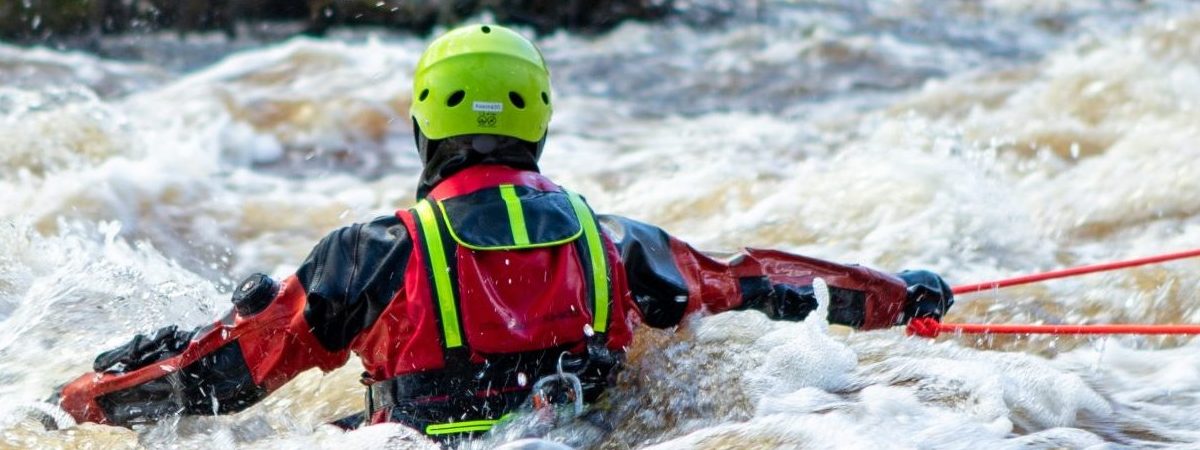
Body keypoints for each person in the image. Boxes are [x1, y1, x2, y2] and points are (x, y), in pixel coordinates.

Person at [55, 24, 953, 444]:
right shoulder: (618, 246)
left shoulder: (373, 253)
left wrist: (76, 403)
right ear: (539, 124)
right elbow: (759, 282)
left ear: (423, 128)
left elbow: (225, 377)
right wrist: (896, 297)